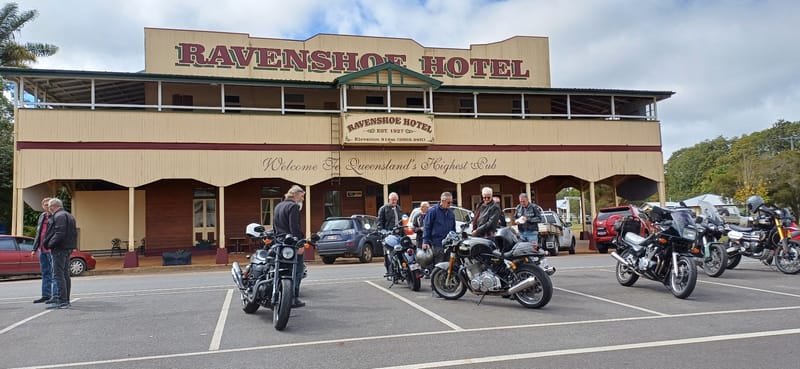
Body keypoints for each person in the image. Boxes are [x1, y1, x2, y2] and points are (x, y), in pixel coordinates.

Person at [273, 184, 307, 308]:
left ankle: (280, 295)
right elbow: (295, 227)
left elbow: (274, 227)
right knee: (297, 270)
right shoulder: (293, 207)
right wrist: (300, 243)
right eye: (302, 196)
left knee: (281, 270)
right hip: (291, 244)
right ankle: (293, 298)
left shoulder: (278, 206)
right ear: (296, 194)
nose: (302, 199)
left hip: (279, 243)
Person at [43, 198, 77, 309]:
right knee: (65, 274)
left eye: (49, 206)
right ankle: (65, 299)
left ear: (54, 206)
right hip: (68, 248)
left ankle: (63, 301)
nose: (49, 209)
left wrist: (49, 244)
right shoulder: (69, 215)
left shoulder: (59, 216)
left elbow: (59, 233)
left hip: (59, 249)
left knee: (59, 275)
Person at [422, 192, 456, 289]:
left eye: (451, 202)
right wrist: (425, 241)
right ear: (442, 201)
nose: (450, 204)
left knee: (447, 265)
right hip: (437, 242)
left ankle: (444, 286)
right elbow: (427, 226)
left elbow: (453, 229)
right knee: (438, 265)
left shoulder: (451, 213)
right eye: (449, 202)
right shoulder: (433, 211)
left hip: (448, 244)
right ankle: (435, 287)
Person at [31, 197, 58, 304]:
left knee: (54, 273)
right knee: (45, 272)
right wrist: (34, 248)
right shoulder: (42, 216)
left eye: (48, 204)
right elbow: (38, 233)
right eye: (45, 205)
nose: (47, 206)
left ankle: (55, 295)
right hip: (42, 249)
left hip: (51, 249)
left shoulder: (56, 216)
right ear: (42, 206)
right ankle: (46, 295)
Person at [377, 192, 403, 276]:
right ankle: (390, 272)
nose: (394, 201)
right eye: (393, 200)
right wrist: (384, 232)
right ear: (389, 199)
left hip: (399, 233)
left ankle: (403, 268)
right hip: (388, 234)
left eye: (396, 200)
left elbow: (401, 221)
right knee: (388, 253)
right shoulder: (383, 209)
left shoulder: (399, 208)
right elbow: (379, 224)